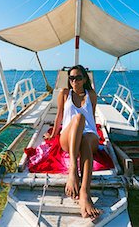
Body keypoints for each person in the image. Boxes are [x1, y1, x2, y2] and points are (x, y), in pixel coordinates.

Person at [43, 65, 102, 219]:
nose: (74, 80)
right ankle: (73, 171)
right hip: (67, 137)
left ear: (84, 79)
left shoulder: (91, 95)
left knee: (86, 136)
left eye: (78, 77)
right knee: (79, 118)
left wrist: (96, 133)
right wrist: (53, 134)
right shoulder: (64, 93)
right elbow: (59, 116)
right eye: (71, 78)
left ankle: (84, 192)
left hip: (89, 137)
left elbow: (92, 117)